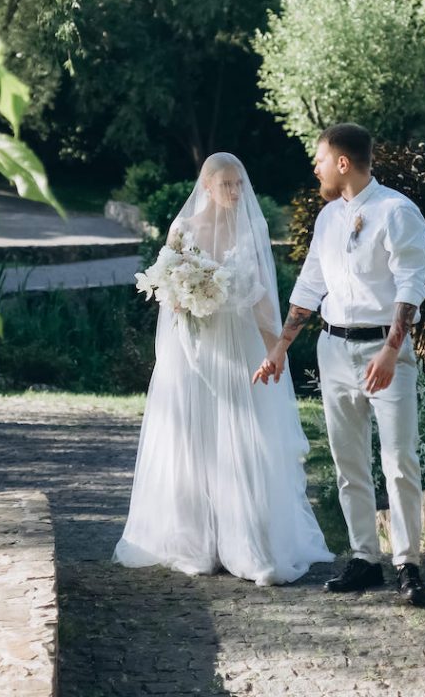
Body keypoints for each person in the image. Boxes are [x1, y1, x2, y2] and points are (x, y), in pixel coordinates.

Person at [113, 152, 333, 586]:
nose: (235, 192)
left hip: (240, 345)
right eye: (227, 184)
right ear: (207, 186)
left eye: (239, 184)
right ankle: (196, 542)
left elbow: (260, 293)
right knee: (195, 438)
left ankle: (247, 542)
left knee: (244, 435)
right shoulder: (185, 230)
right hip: (195, 347)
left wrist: (276, 347)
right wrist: (183, 296)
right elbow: (168, 290)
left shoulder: (248, 228)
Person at [254, 124, 425, 605]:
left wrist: (392, 351)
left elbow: (410, 286)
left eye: (319, 159)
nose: (315, 167)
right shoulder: (328, 218)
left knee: (399, 461)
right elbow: (311, 286)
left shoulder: (397, 212)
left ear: (343, 163)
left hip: (383, 350)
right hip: (333, 349)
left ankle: (409, 564)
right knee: (348, 462)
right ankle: (364, 559)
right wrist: (279, 349)